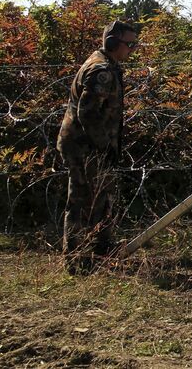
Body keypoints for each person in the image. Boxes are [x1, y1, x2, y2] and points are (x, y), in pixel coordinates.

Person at [56, 20, 136, 273]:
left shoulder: (106, 65)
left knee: (101, 197)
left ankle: (101, 249)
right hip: (84, 146)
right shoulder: (101, 70)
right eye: (129, 44)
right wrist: (103, 147)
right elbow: (87, 113)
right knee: (82, 200)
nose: (132, 50)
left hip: (93, 145)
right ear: (113, 42)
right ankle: (75, 260)